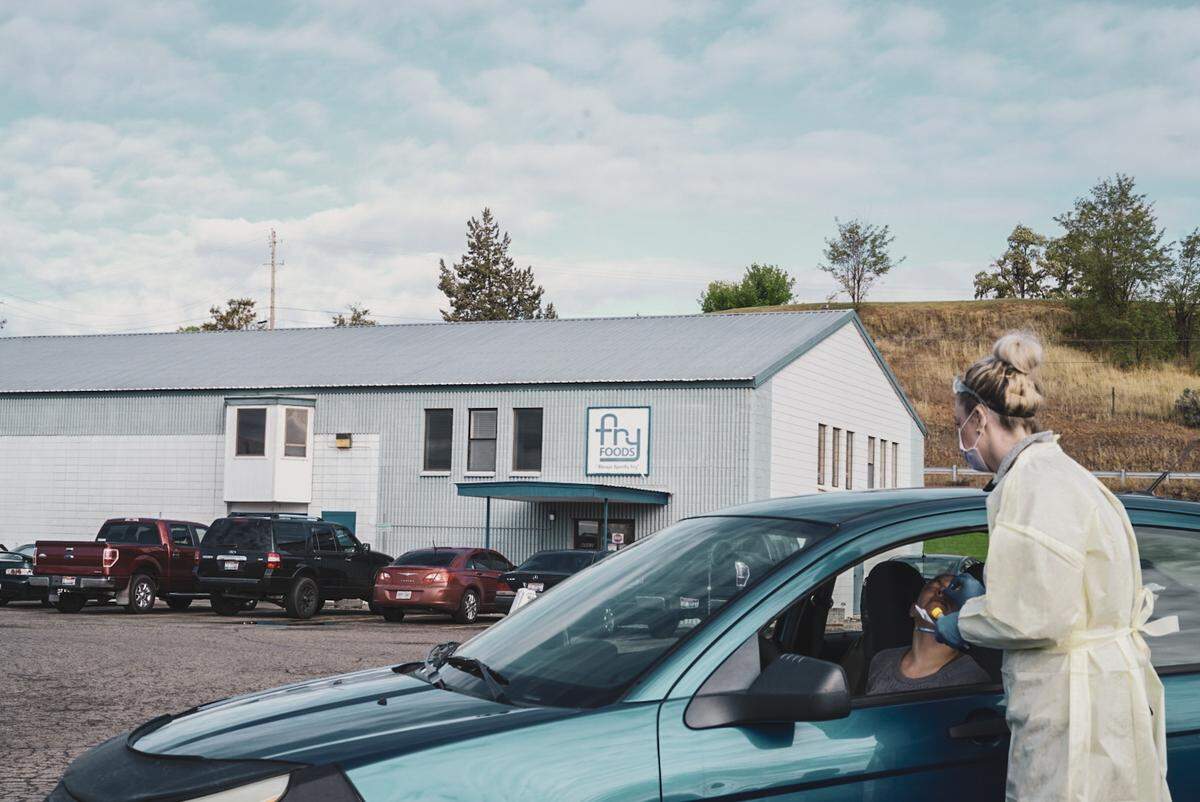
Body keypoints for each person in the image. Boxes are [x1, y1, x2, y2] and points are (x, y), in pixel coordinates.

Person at [934, 332, 1177, 802]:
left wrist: (965, 620)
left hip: (1074, 708)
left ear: (981, 418)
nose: (961, 440)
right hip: (1102, 693)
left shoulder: (1033, 484)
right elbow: (1063, 585)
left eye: (960, 424)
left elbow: (1036, 615)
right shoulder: (1066, 474)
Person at [866, 572, 990, 695]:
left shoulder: (970, 677)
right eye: (935, 584)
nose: (942, 592)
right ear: (913, 609)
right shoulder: (882, 660)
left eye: (955, 590)